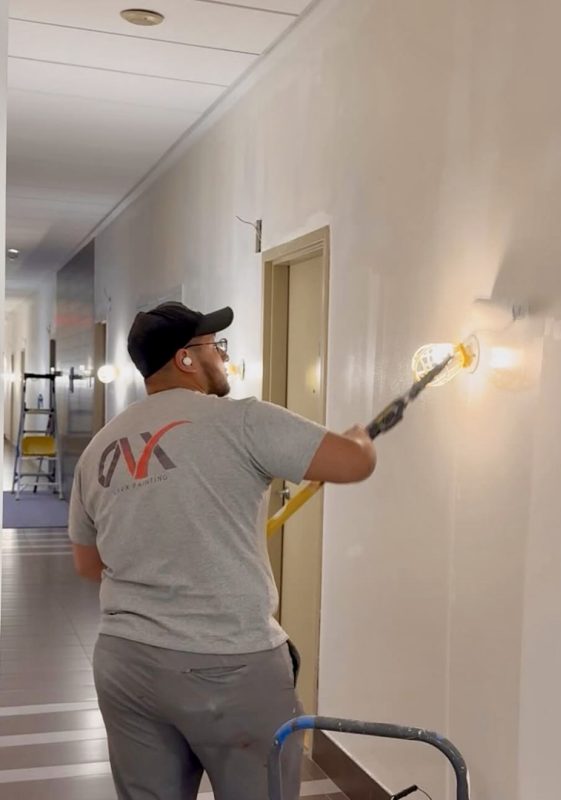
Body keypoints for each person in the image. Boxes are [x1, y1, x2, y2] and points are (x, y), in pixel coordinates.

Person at [68, 301, 376, 800]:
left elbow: (87, 564)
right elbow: (352, 464)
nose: (223, 358)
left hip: (125, 665)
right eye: (215, 346)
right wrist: (361, 439)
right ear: (186, 359)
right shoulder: (242, 422)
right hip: (228, 664)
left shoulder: (100, 448)